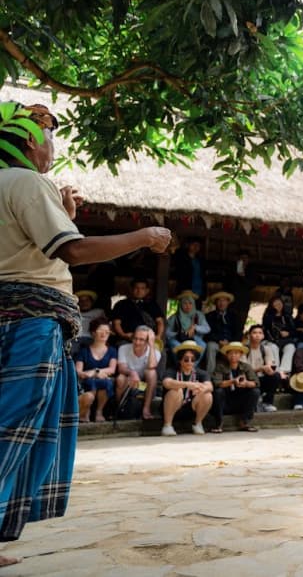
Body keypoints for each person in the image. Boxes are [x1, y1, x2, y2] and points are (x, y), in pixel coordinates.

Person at [0, 100, 170, 568]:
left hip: (9, 317)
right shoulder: (27, 182)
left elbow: (32, 249)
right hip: (28, 323)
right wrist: (143, 237)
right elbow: (71, 251)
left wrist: (64, 211)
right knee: (15, 424)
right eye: (50, 136)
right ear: (32, 139)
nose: (53, 147)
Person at [160, 341, 213, 436]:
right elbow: (166, 383)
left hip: (191, 408)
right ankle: (167, 425)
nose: (189, 362)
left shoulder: (201, 373)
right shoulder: (172, 370)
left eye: (192, 359)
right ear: (180, 360)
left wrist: (201, 388)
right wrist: (187, 384)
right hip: (172, 408)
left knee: (207, 395)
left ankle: (198, 424)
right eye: (186, 359)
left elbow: (210, 386)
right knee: (176, 391)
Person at [209, 341, 260, 433]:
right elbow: (217, 383)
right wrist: (232, 381)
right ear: (227, 355)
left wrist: (246, 383)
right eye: (231, 353)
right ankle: (218, 423)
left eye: (236, 353)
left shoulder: (246, 367)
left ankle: (245, 421)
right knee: (218, 391)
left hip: (240, 401)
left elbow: (256, 383)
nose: (233, 355)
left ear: (240, 354)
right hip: (225, 401)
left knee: (255, 391)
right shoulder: (220, 366)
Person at [75, 318, 118, 423]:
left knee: (104, 382)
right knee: (91, 382)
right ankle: (87, 411)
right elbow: (78, 371)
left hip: (104, 379)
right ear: (93, 332)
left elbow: (112, 369)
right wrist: (89, 374)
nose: (104, 334)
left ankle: (99, 411)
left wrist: (96, 372)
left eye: (107, 332)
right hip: (86, 380)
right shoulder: (84, 351)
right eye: (101, 331)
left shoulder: (112, 350)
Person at [116, 326, 163, 420]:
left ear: (147, 341)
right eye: (135, 338)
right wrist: (132, 373)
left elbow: (151, 366)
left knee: (151, 373)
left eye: (141, 340)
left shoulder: (155, 352)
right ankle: (119, 408)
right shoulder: (124, 348)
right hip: (129, 382)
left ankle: (146, 408)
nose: (137, 342)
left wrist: (152, 344)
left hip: (144, 386)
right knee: (120, 378)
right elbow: (121, 368)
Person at [165, 290, 212, 370]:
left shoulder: (199, 315)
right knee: (176, 346)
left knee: (202, 345)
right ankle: (180, 367)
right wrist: (177, 333)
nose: (188, 306)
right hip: (178, 339)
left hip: (195, 339)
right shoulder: (175, 317)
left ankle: (192, 367)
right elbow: (166, 333)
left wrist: (195, 327)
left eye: (190, 303)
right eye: (185, 303)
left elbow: (207, 329)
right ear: (181, 304)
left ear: (193, 304)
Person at [111, 278, 165, 345]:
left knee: (161, 354)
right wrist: (123, 335)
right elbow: (116, 323)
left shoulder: (153, 305)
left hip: (149, 338)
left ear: (147, 290)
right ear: (131, 289)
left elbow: (160, 322)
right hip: (127, 338)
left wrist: (158, 336)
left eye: (142, 288)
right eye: (136, 288)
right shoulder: (121, 304)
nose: (139, 291)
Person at [244, 325, 281, 413]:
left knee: (276, 376)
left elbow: (269, 364)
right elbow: (244, 370)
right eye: (254, 333)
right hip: (248, 379)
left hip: (261, 378)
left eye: (260, 333)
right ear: (249, 335)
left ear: (263, 336)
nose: (257, 335)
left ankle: (267, 403)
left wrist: (269, 369)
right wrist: (261, 368)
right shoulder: (244, 349)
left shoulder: (265, 349)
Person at [205, 291, 243, 368]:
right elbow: (207, 333)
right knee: (210, 346)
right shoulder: (209, 316)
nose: (221, 303)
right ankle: (210, 374)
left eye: (224, 300)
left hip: (231, 342)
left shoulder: (234, 316)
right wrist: (219, 341)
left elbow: (239, 332)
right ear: (216, 302)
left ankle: (237, 373)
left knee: (239, 348)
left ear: (228, 302)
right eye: (219, 301)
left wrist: (230, 342)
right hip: (216, 342)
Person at [262, 296, 296, 371]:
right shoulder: (268, 316)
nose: (278, 305)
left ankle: (284, 371)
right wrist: (273, 313)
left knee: (291, 347)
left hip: (285, 341)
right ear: (272, 305)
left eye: (280, 303)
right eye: (276, 304)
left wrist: (288, 333)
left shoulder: (287, 317)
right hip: (272, 340)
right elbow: (266, 328)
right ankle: (276, 370)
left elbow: (294, 331)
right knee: (273, 348)